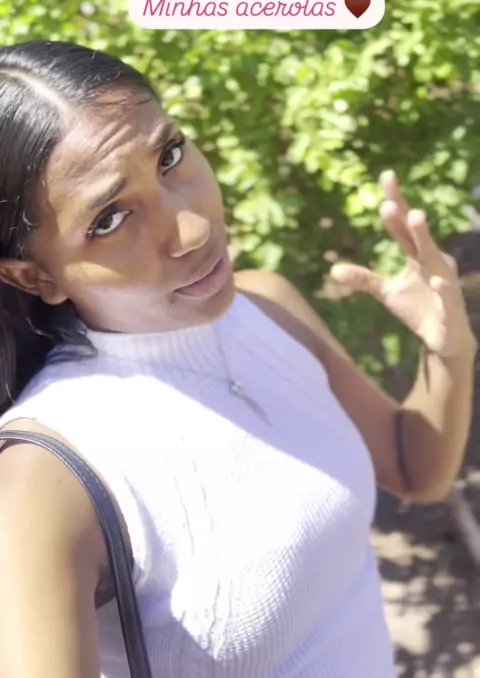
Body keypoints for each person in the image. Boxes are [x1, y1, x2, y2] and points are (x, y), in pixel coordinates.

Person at [0, 40, 476, 678]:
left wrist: (449, 347)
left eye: (170, 156)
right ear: (35, 276)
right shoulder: (46, 476)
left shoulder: (267, 307)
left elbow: (416, 468)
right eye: (110, 219)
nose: (193, 229)